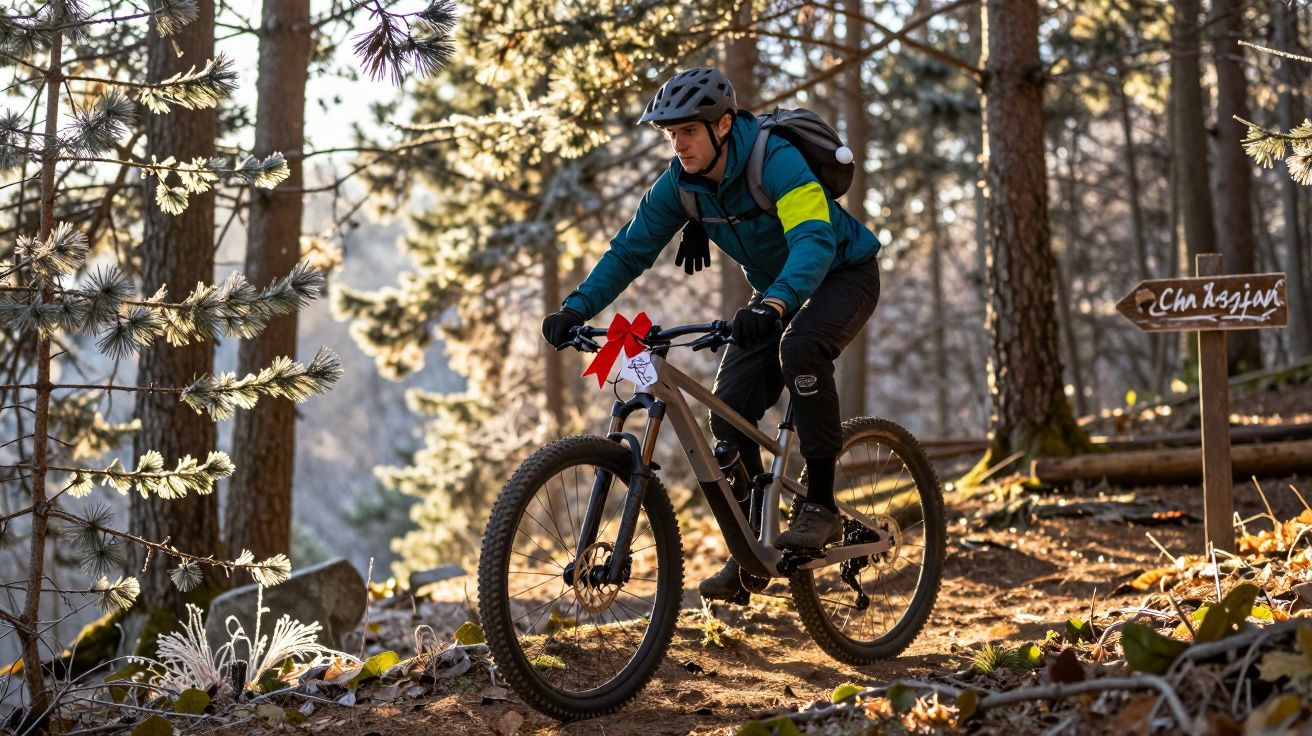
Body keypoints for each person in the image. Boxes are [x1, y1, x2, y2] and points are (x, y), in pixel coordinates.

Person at [540, 67, 882, 603]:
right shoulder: (681, 183)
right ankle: (751, 553)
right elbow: (630, 251)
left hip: (842, 275)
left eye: (689, 131)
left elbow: (814, 241)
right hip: (776, 293)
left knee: (801, 348)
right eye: (670, 134)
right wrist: (574, 307)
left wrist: (775, 303)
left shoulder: (776, 160)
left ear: (723, 125)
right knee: (726, 415)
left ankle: (820, 504)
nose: (678, 144)